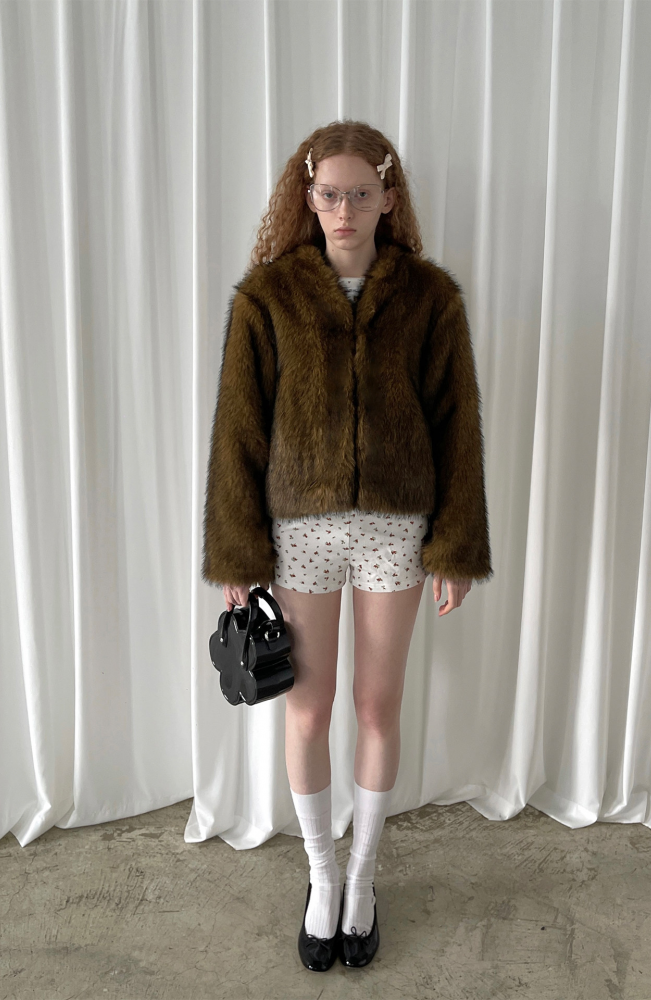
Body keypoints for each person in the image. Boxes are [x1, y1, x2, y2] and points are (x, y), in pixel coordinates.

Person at [202, 119, 492, 972]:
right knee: (307, 708)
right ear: (308, 195)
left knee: (375, 706)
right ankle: (321, 877)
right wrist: (238, 551)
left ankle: (363, 878)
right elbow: (238, 430)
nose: (344, 209)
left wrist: (454, 546)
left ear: (388, 198)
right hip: (301, 530)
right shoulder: (268, 298)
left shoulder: (430, 299)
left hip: (396, 528)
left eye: (361, 193)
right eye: (329, 193)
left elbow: (456, 426)